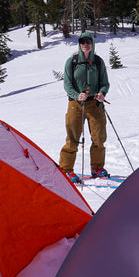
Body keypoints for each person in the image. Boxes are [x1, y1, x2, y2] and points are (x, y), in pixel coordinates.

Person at [59, 32, 111, 183]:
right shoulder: (72, 62)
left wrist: (102, 93)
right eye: (82, 41)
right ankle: (66, 170)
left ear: (92, 43)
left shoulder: (98, 62)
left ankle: (97, 168)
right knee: (72, 137)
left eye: (88, 41)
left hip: (95, 103)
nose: (85, 44)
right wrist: (76, 95)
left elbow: (105, 83)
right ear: (79, 44)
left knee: (99, 137)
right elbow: (67, 85)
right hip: (76, 105)